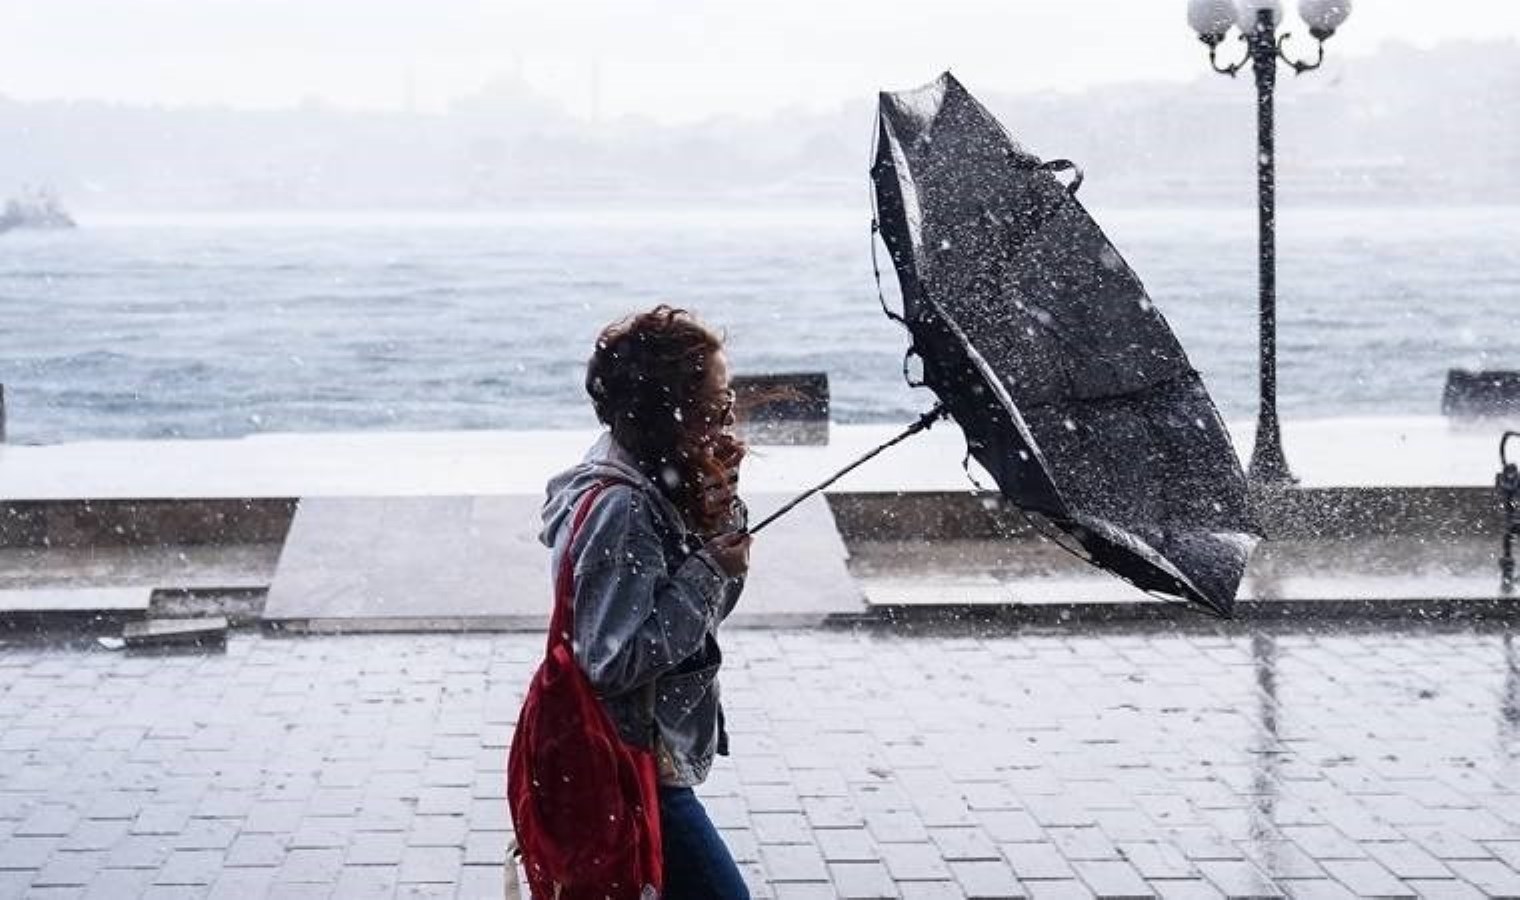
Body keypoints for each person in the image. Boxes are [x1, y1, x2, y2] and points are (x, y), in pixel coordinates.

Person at [538, 305, 752, 898]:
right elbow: (613, 659)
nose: (726, 420)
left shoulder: (654, 476)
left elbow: (706, 615)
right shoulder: (623, 507)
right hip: (628, 757)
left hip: (640, 756)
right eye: (715, 406)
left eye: (726, 402)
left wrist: (718, 514)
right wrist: (709, 569)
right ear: (669, 412)